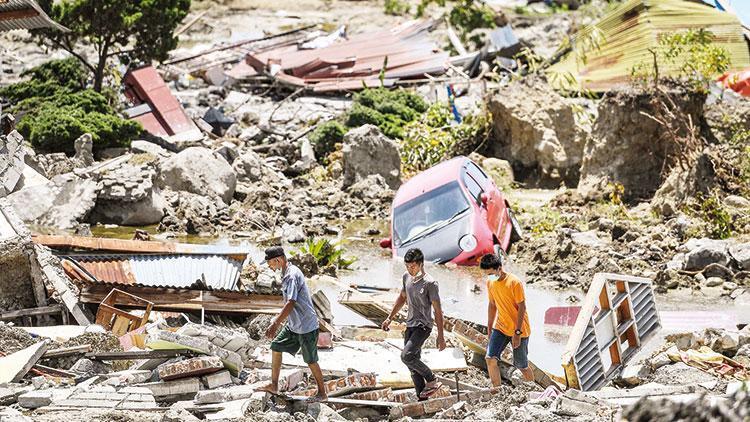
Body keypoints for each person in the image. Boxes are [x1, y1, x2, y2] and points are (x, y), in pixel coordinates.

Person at [256, 246, 327, 402]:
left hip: (306, 326)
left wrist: (276, 322)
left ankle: (322, 393)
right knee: (276, 346)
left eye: (270, 263)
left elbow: (291, 302)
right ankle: (274, 385)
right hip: (294, 324)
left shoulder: (291, 275)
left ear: (278, 260)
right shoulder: (286, 272)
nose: (269, 266)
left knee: (310, 360)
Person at [382, 248, 446, 400]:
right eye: (407, 266)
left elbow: (438, 311)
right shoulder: (406, 277)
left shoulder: (430, 283)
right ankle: (421, 398)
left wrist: (441, 336)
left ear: (421, 264)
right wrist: (390, 317)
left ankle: (431, 379)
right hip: (410, 325)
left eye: (413, 266)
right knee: (412, 367)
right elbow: (402, 298)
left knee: (407, 356)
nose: (410, 270)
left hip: (423, 326)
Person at [480, 253, 534, 386]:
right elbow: (492, 305)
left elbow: (522, 307)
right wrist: (489, 327)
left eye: (491, 273)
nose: (490, 276)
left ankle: (533, 391)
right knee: (490, 358)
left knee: (522, 365)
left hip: (519, 329)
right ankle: (497, 391)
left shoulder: (514, 282)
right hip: (501, 327)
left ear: (499, 268)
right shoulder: (490, 282)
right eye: (487, 274)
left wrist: (517, 333)